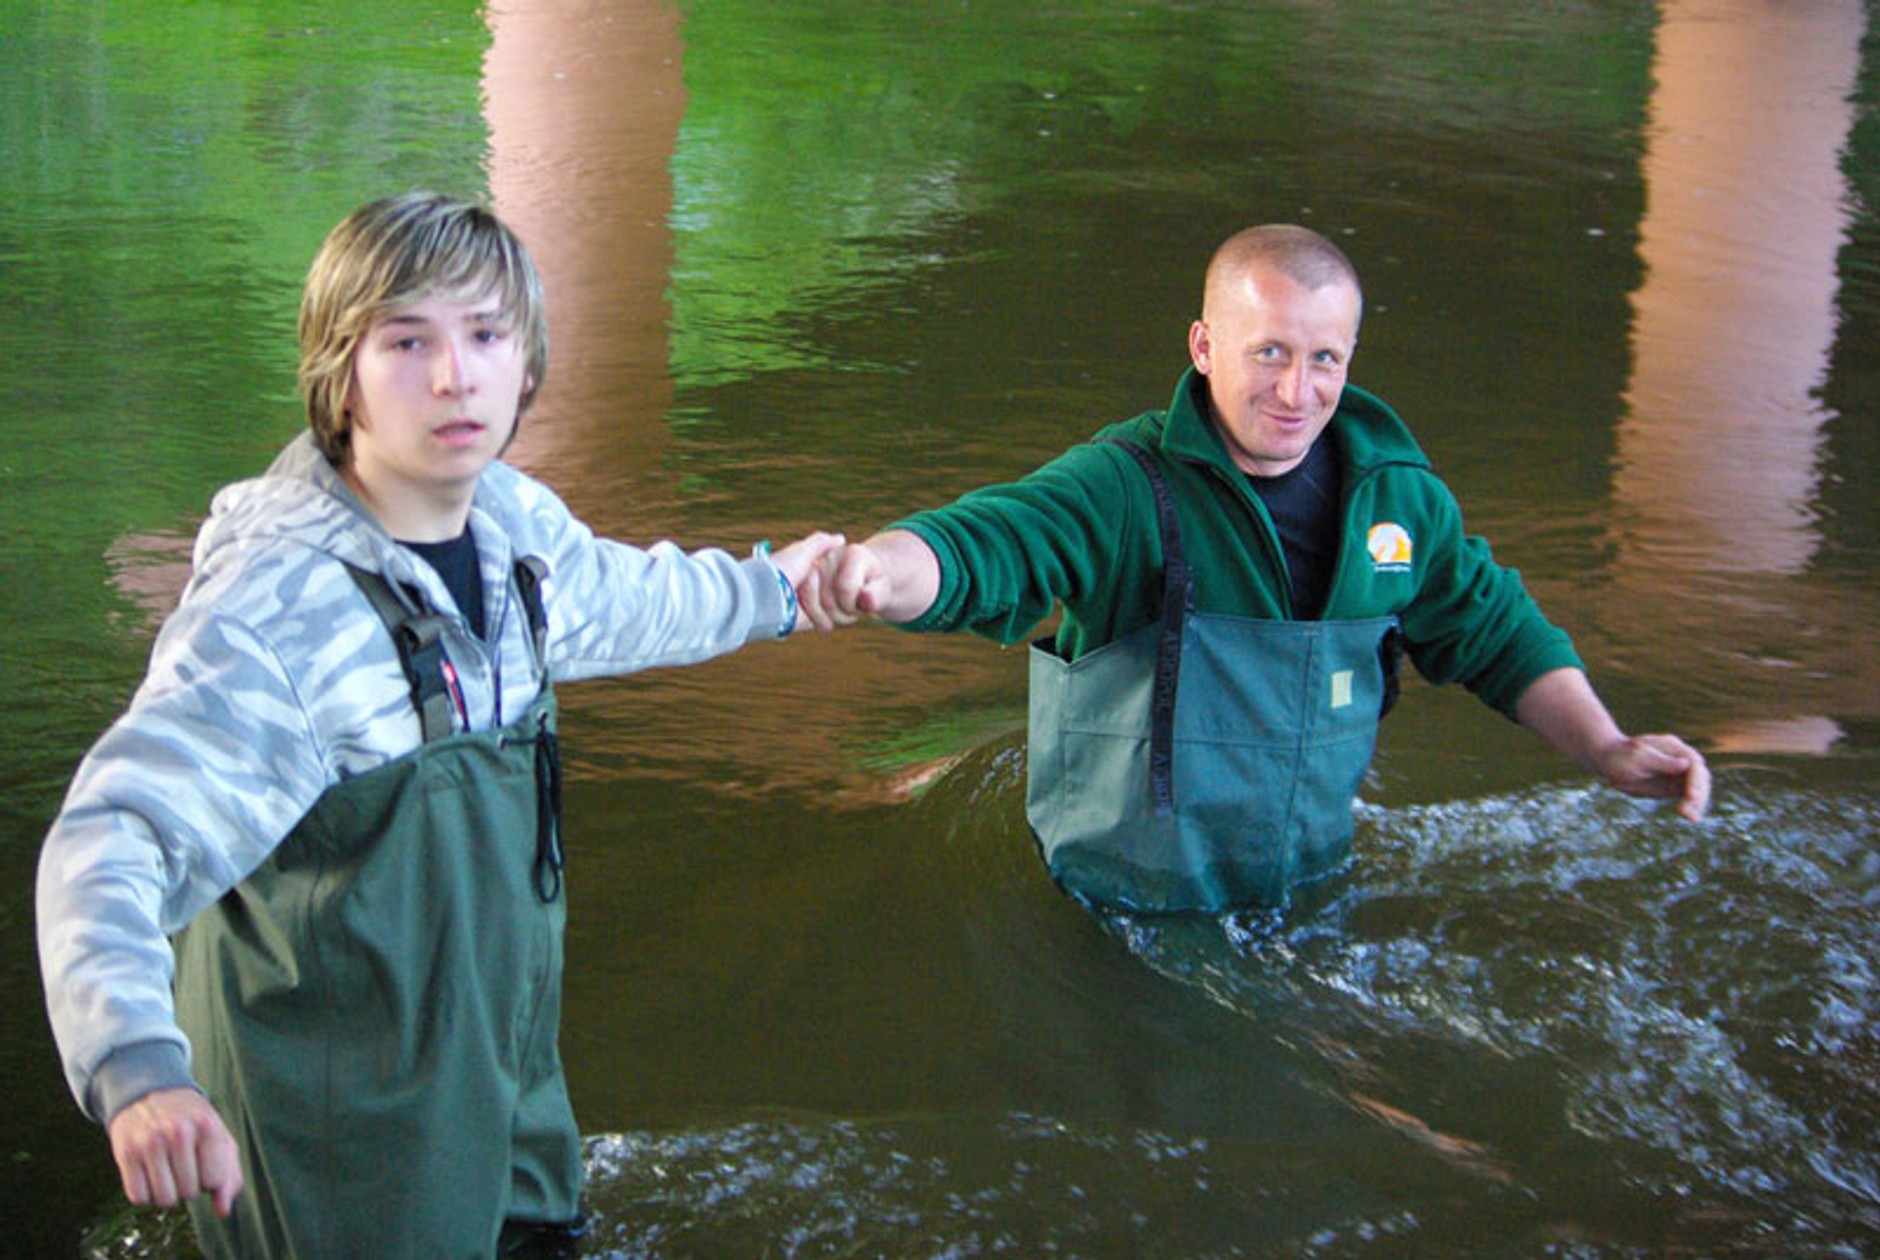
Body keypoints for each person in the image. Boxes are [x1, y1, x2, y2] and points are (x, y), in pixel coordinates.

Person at [36, 192, 845, 1257]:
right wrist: (137, 1069)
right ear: (342, 374)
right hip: (339, 1124)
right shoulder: (277, 618)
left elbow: (626, 599)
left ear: (526, 362)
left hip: (494, 1074)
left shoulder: (511, 527)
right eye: (407, 341)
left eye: (484, 335)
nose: (456, 376)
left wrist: (778, 592)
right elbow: (111, 839)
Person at [820, 224, 1709, 914]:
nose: (1297, 393)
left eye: (1325, 359)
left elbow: (1492, 628)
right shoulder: (1125, 487)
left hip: (1306, 884)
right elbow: (991, 543)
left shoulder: (1396, 501)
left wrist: (1607, 746)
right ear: (1204, 348)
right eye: (1269, 353)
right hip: (1116, 898)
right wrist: (876, 570)